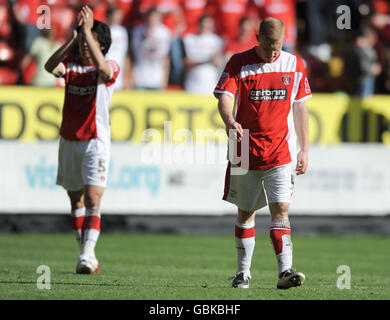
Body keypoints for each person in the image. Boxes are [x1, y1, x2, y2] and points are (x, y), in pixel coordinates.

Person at [214, 17, 311, 289]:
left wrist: (305, 147)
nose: (273, 51)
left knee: (281, 209)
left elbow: (301, 107)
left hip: (281, 152)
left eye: (278, 45)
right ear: (258, 38)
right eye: (268, 45)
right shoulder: (239, 62)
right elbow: (224, 97)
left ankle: (285, 271)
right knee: (246, 213)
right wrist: (229, 121)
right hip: (244, 152)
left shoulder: (294, 64)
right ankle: (243, 273)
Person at [44, 6, 119, 274]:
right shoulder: (72, 67)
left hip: (96, 141)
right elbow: (49, 67)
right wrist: (73, 39)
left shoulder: (109, 66)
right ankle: (86, 255)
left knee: (93, 199)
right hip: (69, 140)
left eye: (91, 41)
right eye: (85, 41)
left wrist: (86, 31)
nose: (86, 46)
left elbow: (102, 68)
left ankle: (87, 255)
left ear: (102, 45)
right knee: (76, 202)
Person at [182, 14, 224, 95]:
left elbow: (218, 63)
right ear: (199, 25)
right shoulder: (188, 39)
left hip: (210, 86)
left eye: (208, 26)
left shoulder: (217, 41)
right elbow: (186, 63)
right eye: (203, 25)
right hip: (191, 86)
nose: (205, 28)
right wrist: (208, 60)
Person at [130, 7, 171, 90]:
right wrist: (131, 76)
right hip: (140, 78)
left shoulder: (164, 33)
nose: (152, 20)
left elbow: (166, 58)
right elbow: (132, 55)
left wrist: (165, 80)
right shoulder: (137, 31)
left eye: (154, 17)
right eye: (150, 17)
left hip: (157, 78)